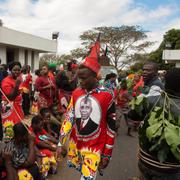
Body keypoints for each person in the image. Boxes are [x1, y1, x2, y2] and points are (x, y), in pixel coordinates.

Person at [57, 55, 116, 180]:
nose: (80, 82)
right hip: (76, 144)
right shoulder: (76, 93)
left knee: (87, 177)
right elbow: (69, 117)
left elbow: (111, 127)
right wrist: (60, 142)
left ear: (95, 77)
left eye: (83, 78)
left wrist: (107, 153)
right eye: (79, 78)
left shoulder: (107, 95)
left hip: (95, 146)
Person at [1, 61, 24, 142]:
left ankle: (17, 147)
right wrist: (17, 85)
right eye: (14, 70)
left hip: (18, 107)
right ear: (10, 70)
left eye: (18, 70)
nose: (17, 72)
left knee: (18, 128)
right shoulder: (6, 81)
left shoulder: (18, 79)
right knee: (9, 128)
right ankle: (7, 149)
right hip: (9, 109)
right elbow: (10, 97)